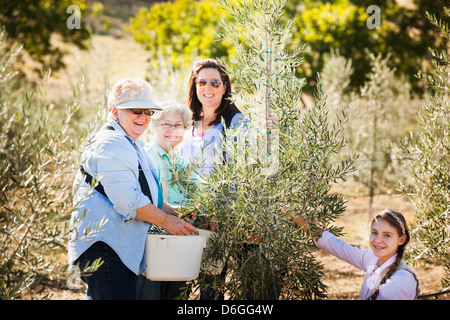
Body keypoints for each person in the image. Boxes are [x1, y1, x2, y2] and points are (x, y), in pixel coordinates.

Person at [68, 78, 197, 300]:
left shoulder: (130, 143)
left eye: (147, 111)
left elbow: (141, 194)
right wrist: (168, 222)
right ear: (114, 112)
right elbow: (128, 201)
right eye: (134, 110)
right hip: (105, 246)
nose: (143, 116)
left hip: (114, 248)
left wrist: (171, 210)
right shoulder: (112, 142)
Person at [137, 100, 197, 300]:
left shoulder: (183, 163)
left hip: (179, 245)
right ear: (153, 127)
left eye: (178, 125)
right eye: (166, 124)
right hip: (149, 247)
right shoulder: (145, 157)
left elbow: (198, 195)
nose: (172, 130)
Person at [295, 209, 419, 300]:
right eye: (374, 233)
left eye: (387, 235)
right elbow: (336, 246)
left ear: (401, 240)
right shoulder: (373, 259)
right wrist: (297, 218)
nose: (378, 240)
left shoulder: (400, 280)